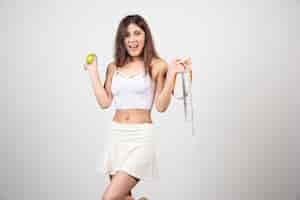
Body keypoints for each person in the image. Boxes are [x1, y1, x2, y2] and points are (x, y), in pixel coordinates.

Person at [84, 14, 192, 200]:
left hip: (141, 137)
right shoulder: (113, 66)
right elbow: (104, 102)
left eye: (137, 33)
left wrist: (173, 73)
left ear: (145, 36)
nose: (132, 39)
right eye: (127, 35)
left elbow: (161, 105)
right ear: (122, 40)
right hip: (117, 135)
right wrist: (93, 73)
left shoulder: (157, 65)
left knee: (109, 198)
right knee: (123, 196)